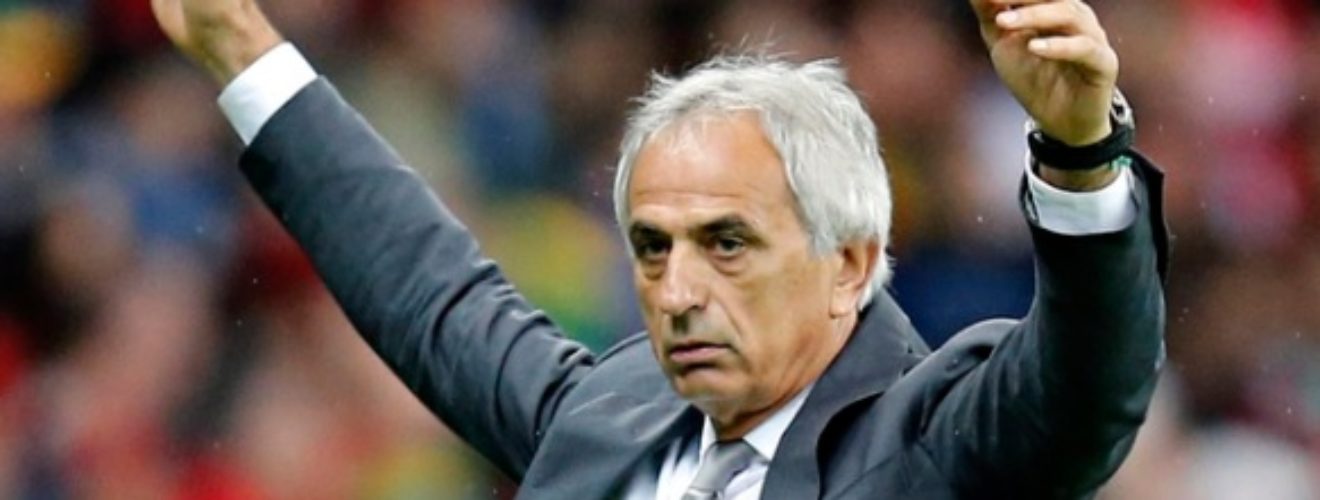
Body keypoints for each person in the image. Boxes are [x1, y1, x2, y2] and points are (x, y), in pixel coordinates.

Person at [148, 0, 1168, 497]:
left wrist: (1080, 158)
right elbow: (431, 288)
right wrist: (240, 50)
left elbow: (1091, 384)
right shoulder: (606, 413)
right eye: (651, 246)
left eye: (726, 242)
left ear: (850, 265)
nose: (676, 290)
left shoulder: (939, 441)